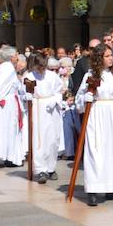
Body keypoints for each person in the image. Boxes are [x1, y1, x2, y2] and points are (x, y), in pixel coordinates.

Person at [74, 44, 113, 205]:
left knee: (112, 152)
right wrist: (86, 98)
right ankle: (92, 189)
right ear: (99, 58)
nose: (111, 58)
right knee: (95, 151)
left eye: (111, 55)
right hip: (96, 115)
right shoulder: (90, 75)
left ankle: (110, 187)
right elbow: (79, 98)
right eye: (107, 56)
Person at [27, 55, 65, 183]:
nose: (41, 70)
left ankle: (51, 167)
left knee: (52, 139)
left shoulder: (52, 76)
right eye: (39, 67)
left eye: (44, 67)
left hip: (51, 110)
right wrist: (28, 96)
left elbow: (59, 91)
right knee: (39, 139)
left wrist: (54, 101)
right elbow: (24, 92)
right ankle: (40, 169)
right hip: (37, 108)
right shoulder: (30, 76)